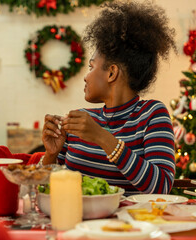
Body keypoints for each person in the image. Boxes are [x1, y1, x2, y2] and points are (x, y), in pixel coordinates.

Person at [41, 1, 176, 196]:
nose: (86, 77)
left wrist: (102, 137)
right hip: (78, 225)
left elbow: (161, 186)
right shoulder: (81, 120)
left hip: (130, 226)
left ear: (112, 73)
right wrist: (51, 154)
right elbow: (46, 189)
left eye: (91, 66)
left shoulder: (152, 114)